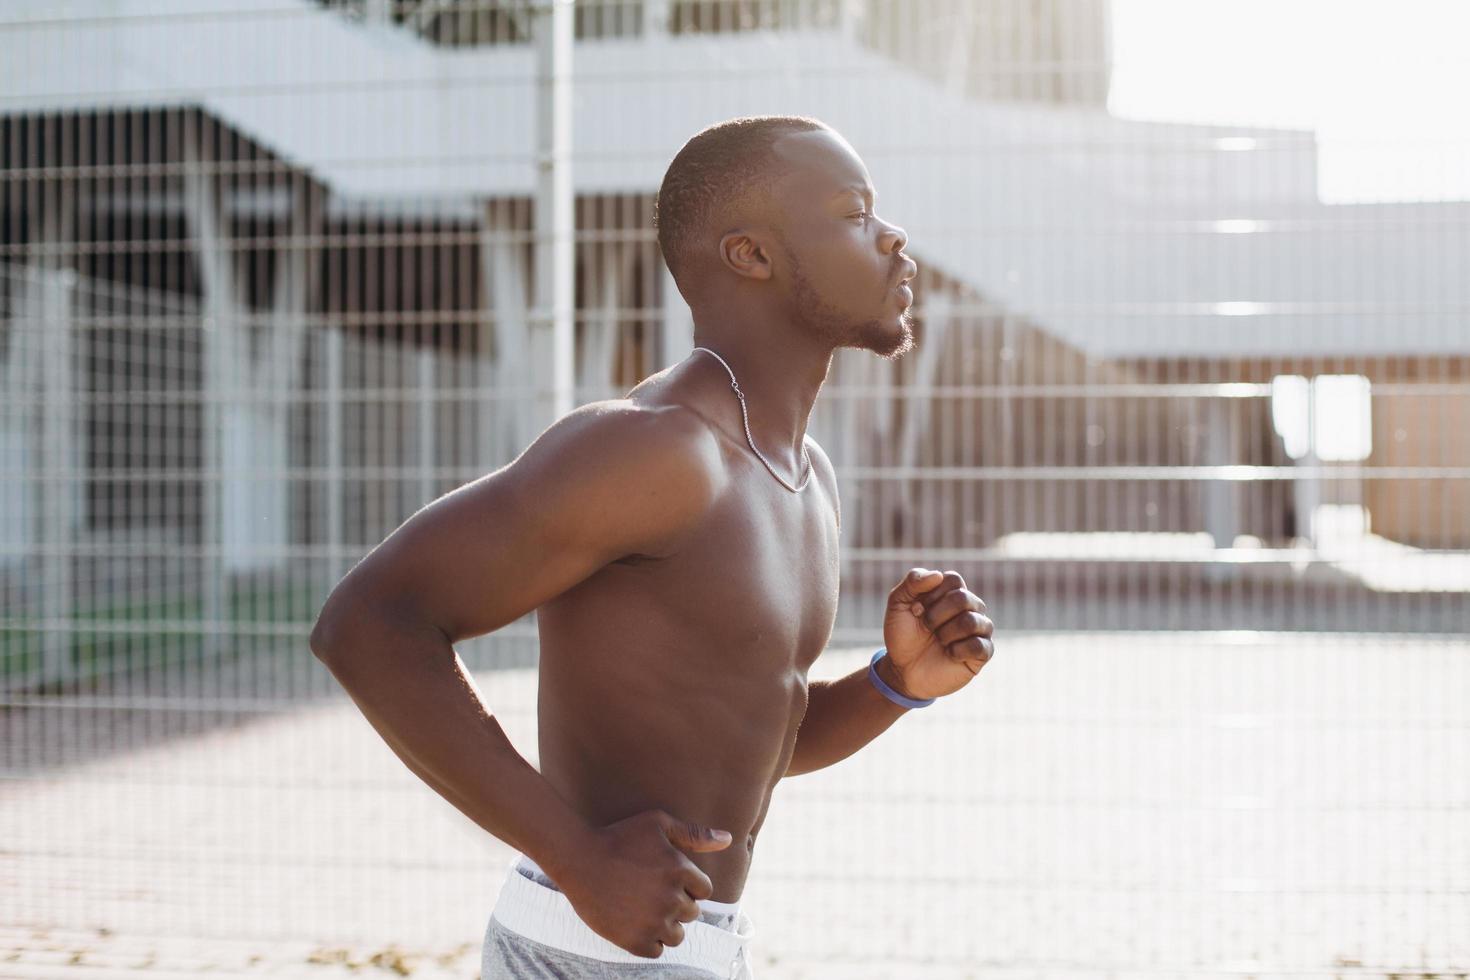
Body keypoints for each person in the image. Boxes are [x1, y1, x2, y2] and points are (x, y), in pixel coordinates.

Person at [309, 114, 996, 979]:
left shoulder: (806, 476)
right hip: (587, 951)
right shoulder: (658, 449)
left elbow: (749, 739)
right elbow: (368, 623)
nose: (892, 235)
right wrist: (575, 856)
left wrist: (895, 685)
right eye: (854, 212)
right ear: (751, 255)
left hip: (702, 949)